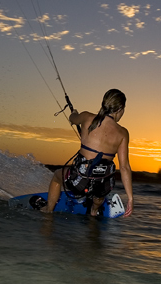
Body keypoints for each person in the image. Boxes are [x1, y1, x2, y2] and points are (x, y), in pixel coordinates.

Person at [45, 89, 133, 217]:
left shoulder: (86, 117)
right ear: (120, 109)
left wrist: (74, 113)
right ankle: (94, 211)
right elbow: (125, 167)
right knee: (101, 190)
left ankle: (48, 210)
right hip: (101, 186)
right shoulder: (123, 133)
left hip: (79, 181)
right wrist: (130, 198)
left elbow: (72, 119)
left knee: (57, 177)